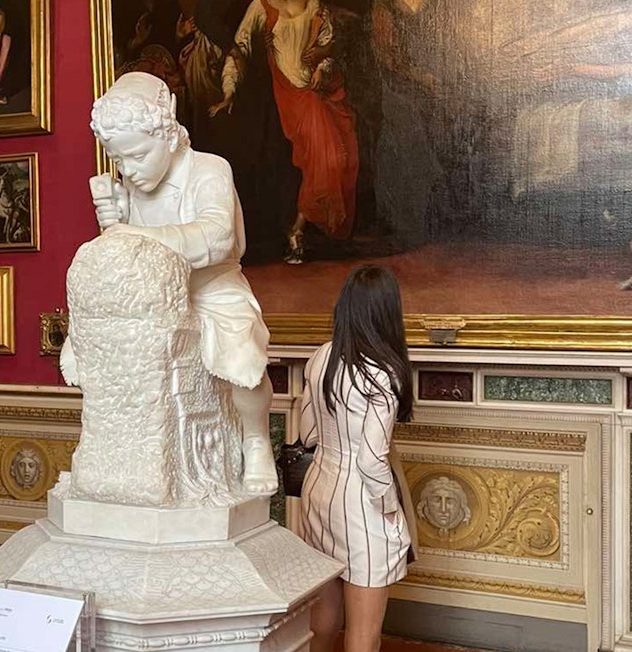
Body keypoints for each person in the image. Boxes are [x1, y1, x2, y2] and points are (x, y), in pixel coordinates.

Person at [81, 71, 277, 494]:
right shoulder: (130, 187)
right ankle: (124, 446)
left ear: (167, 135)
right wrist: (115, 224)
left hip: (212, 287)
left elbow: (217, 237)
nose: (127, 171)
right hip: (154, 296)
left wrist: (133, 235)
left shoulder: (209, 169)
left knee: (241, 350)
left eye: (136, 156)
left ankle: (256, 438)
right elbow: (129, 253)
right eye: (118, 161)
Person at [296, 265, 417, 652]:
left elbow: (306, 434)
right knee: (364, 637)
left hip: (318, 490)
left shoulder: (320, 357)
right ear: (386, 312)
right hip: (361, 506)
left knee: (323, 624)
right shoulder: (382, 373)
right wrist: (390, 511)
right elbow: (370, 461)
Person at [211, 0, 359, 264]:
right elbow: (239, 49)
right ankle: (294, 231)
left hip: (314, 95)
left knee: (333, 159)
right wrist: (228, 90)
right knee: (314, 163)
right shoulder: (262, 6)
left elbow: (329, 49)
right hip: (285, 97)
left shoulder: (314, 4)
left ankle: (297, 230)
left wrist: (323, 65)